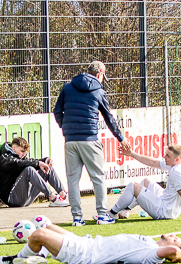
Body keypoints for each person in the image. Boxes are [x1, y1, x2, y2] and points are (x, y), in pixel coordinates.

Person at [53, 60, 130, 226]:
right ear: (100, 74)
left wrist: (65, 127)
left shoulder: (67, 87)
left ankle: (77, 218)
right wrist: (121, 138)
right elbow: (109, 118)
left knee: (73, 180)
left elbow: (57, 111)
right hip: (89, 139)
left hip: (70, 140)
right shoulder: (99, 91)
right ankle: (102, 215)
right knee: (98, 178)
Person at [0, 221, 181, 264]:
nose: (173, 236)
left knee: (38, 234)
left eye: (175, 238)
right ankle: (39, 256)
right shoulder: (149, 242)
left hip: (83, 254)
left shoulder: (152, 255)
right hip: (85, 242)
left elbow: (173, 251)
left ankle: (16, 259)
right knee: (45, 223)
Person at [105, 144, 181, 223]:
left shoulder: (176, 171)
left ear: (177, 159)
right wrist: (131, 154)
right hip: (168, 205)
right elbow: (152, 162)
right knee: (145, 181)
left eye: (168, 156)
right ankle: (125, 210)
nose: (165, 157)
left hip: (164, 211)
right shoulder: (179, 165)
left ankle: (112, 213)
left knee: (133, 186)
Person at [0, 137, 69, 208]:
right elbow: (18, 163)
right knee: (29, 170)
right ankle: (53, 198)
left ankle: (64, 196)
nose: (24, 154)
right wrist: (38, 163)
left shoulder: (20, 157)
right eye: (22, 151)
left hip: (26, 198)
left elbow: (28, 161)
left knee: (46, 167)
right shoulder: (5, 158)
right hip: (12, 199)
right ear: (14, 148)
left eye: (25, 152)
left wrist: (44, 161)